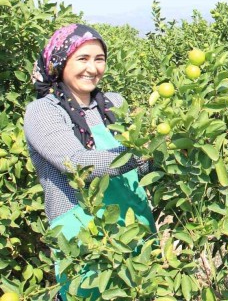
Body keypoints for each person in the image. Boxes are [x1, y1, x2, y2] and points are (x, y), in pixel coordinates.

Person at [24, 24, 156, 300]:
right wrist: (140, 151)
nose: (92, 68)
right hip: (84, 236)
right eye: (82, 59)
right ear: (61, 62)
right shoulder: (43, 111)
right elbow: (78, 164)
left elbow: (142, 167)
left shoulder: (114, 103)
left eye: (99, 59)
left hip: (136, 224)